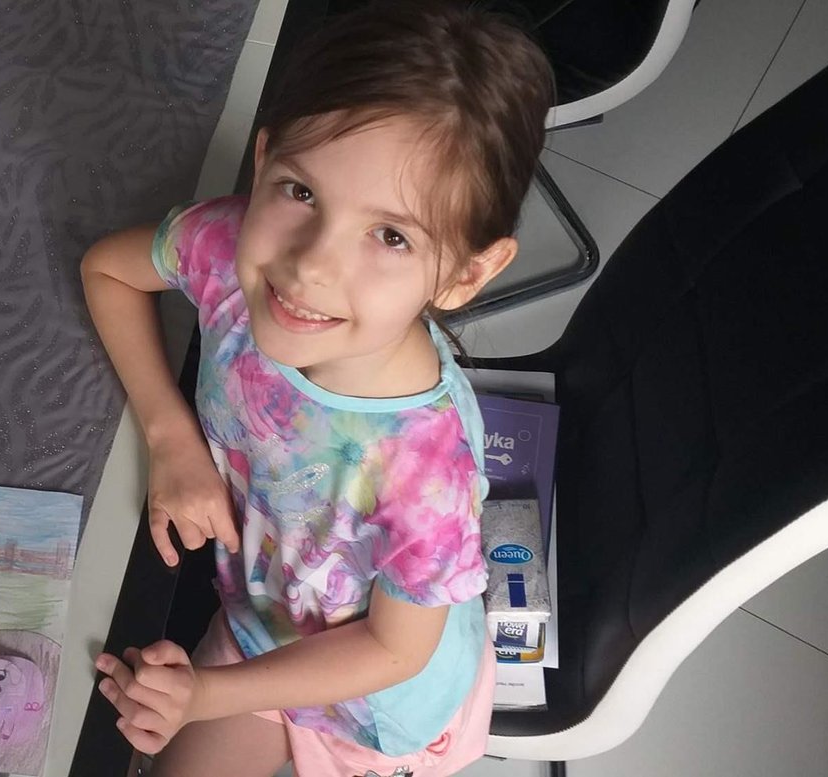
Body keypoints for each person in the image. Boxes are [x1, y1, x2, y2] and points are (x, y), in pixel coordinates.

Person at [80, 1, 554, 774]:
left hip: (373, 702)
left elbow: (394, 651)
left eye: (390, 235)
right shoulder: (227, 246)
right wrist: (170, 437)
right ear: (265, 156)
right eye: (300, 191)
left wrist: (203, 695)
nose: (309, 267)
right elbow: (107, 270)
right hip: (258, 617)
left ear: (468, 272)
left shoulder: (427, 470)